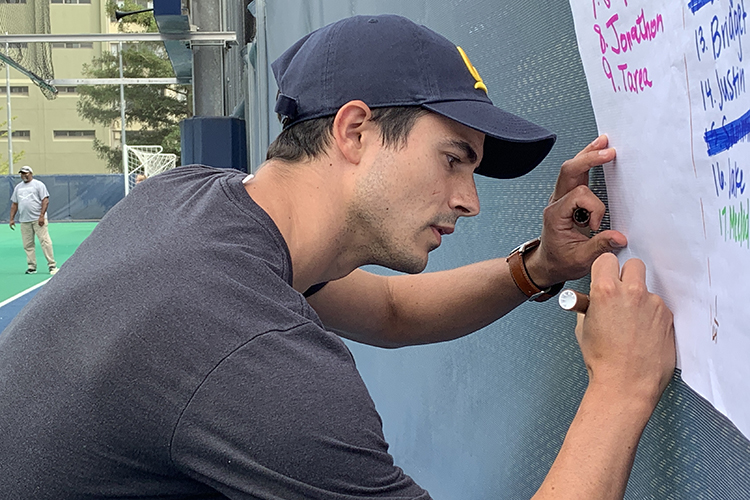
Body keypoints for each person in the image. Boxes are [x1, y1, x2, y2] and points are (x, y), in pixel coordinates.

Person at [0, 15, 675, 499]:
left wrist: (542, 266)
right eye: (453, 160)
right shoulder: (252, 356)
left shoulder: (197, 200)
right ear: (355, 130)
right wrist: (623, 385)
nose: (468, 200)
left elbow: (390, 311)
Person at [8, 165, 57, 275]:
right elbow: (14, 204)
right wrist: (11, 218)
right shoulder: (18, 188)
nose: (23, 175)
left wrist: (41, 216)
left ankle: (52, 265)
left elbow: (45, 200)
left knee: (45, 241)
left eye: (26, 173)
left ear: (30, 173)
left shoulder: (38, 185)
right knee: (28, 244)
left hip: (38, 219)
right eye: (22, 173)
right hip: (24, 220)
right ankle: (31, 266)